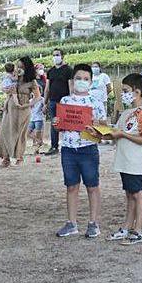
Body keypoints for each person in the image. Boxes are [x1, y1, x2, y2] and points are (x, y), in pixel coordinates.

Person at [53, 64, 107, 239]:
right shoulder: (65, 101)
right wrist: (56, 124)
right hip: (68, 149)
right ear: (72, 80)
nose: (82, 82)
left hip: (88, 149)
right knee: (71, 186)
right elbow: (60, 126)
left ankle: (93, 223)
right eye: (78, 78)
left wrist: (96, 131)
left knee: (92, 186)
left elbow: (103, 130)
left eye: (86, 79)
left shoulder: (96, 102)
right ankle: (71, 223)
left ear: (91, 82)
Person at [109, 73, 142, 245]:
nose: (123, 94)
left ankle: (139, 230)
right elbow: (115, 133)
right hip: (124, 160)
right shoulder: (127, 112)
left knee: (137, 194)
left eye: (126, 91)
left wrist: (123, 134)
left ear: (137, 91)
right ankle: (127, 226)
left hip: (135, 161)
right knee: (129, 194)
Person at [0, 56, 40, 167]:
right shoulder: (12, 78)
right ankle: (5, 158)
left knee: (19, 134)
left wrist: (28, 104)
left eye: (21, 67)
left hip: (23, 110)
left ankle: (19, 157)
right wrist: (6, 90)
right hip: (10, 108)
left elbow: (38, 97)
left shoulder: (31, 81)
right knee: (4, 132)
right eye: (18, 66)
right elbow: (4, 88)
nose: (19, 69)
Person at [45, 48, 72, 155]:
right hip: (53, 101)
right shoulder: (50, 71)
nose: (55, 57)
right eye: (54, 55)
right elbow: (47, 88)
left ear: (62, 56)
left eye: (57, 55)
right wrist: (45, 102)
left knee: (67, 124)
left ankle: (68, 145)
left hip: (65, 102)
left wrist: (71, 100)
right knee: (54, 124)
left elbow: (71, 86)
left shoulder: (68, 70)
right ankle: (54, 146)